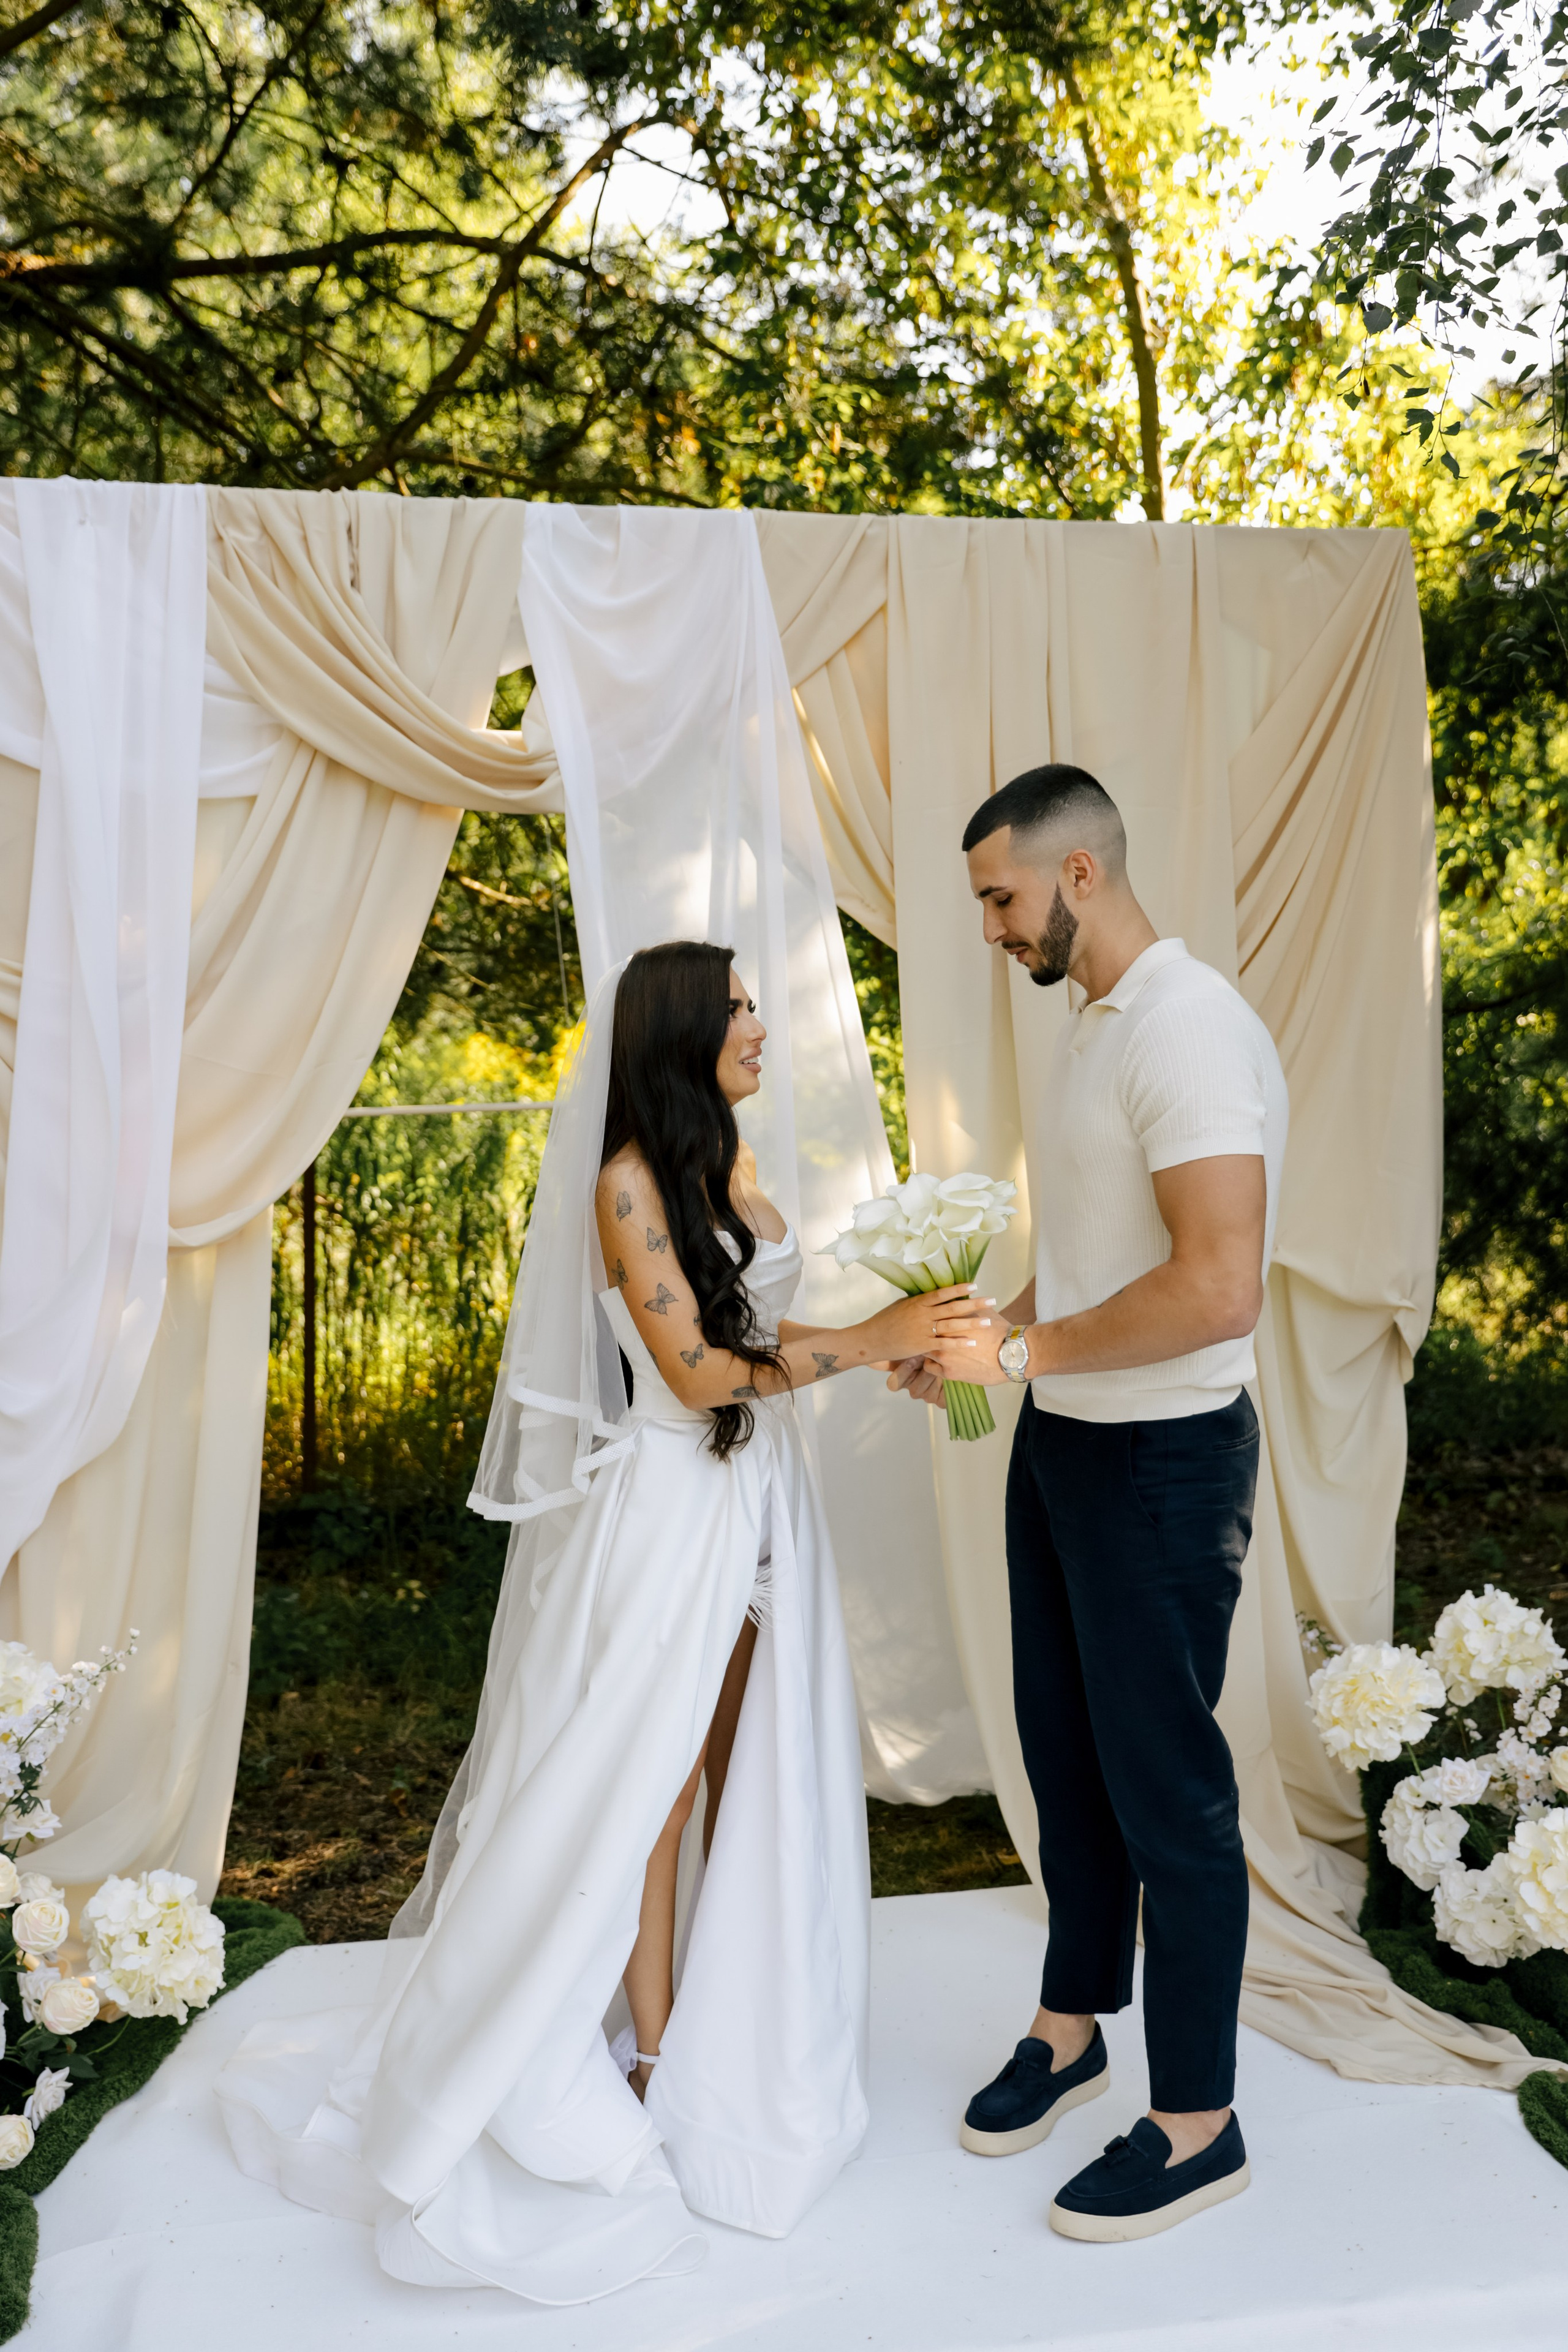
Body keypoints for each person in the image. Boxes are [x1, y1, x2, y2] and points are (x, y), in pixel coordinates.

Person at [217, 938, 983, 2304]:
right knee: (650, 1783)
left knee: (741, 1767)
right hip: (666, 1517)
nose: (758, 1025)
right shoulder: (625, 1187)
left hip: (759, 1506)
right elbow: (694, 1374)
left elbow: (759, 1326)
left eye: (756, 1005)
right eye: (739, 1008)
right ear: (682, 1028)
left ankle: (736, 2019)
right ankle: (646, 2037)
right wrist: (868, 1341)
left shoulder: (727, 1170)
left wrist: (894, 1346)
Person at [897, 764, 1287, 2243]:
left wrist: (1027, 1349)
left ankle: (1198, 2122)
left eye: (998, 897)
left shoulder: (1184, 1029)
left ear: (1074, 876)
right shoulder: (1093, 1025)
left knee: (1167, 1796)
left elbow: (1213, 1284)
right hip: (1062, 1444)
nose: (988, 928)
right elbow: (1095, 1260)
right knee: (1065, 1762)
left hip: (1162, 1466)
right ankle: (1073, 2027)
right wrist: (982, 1347)